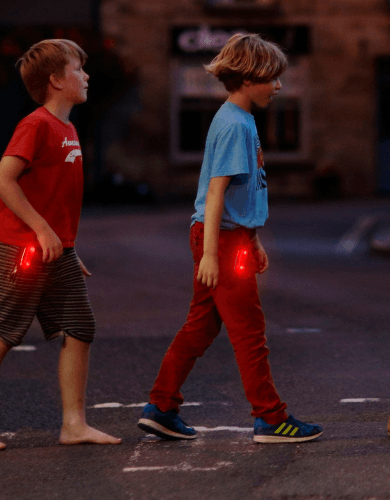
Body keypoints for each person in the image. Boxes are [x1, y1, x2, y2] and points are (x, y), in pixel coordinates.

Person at [138, 34, 322, 444]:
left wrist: (251, 239)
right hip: (219, 239)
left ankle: (161, 407)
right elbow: (217, 191)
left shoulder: (239, 119)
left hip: (227, 237)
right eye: (272, 78)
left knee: (201, 327)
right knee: (249, 331)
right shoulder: (235, 124)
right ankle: (271, 419)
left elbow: (241, 191)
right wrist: (210, 254)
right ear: (249, 77)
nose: (278, 87)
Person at [0, 39, 121, 451]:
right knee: (3, 330)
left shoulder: (66, 127)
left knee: (80, 326)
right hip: (19, 246)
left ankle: (74, 424)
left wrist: (66, 244)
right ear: (55, 80)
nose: (86, 75)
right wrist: (44, 231)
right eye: (78, 69)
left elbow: (54, 195)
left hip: (55, 249)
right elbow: (2, 180)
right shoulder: (36, 124)